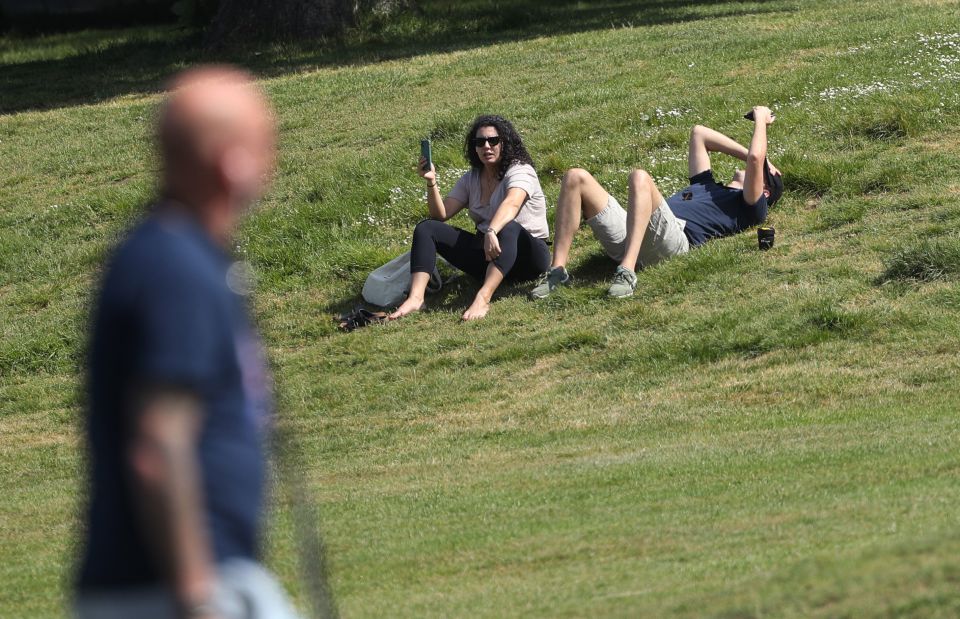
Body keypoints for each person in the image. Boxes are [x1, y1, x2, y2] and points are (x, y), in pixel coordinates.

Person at [75, 67, 299, 619]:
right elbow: (159, 444)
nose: (271, 163)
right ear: (232, 161)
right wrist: (197, 593)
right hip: (173, 590)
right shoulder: (174, 269)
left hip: (187, 580)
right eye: (265, 145)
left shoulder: (175, 254)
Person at [530, 106, 784, 299]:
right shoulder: (705, 184)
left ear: (766, 191)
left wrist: (761, 120)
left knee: (640, 177)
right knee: (576, 177)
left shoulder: (750, 206)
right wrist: (764, 163)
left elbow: (753, 158)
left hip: (673, 243)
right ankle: (557, 271)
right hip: (635, 233)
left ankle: (627, 271)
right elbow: (700, 133)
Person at [389, 115, 551, 321]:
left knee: (508, 227)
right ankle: (416, 298)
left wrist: (492, 230)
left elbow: (512, 203)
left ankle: (483, 298)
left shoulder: (520, 170)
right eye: (479, 142)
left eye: (493, 141)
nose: (486, 146)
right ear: (474, 148)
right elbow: (440, 214)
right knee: (427, 228)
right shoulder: (472, 178)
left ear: (505, 143)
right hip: (488, 254)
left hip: (528, 258)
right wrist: (431, 182)